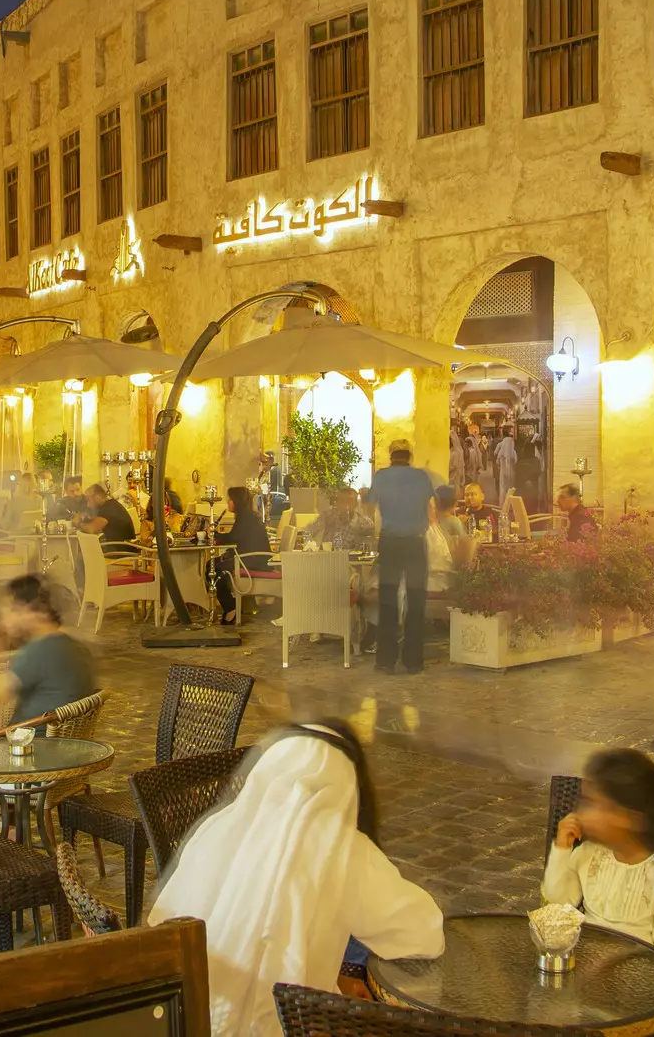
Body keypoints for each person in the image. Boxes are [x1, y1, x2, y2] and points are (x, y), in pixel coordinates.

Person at [148, 721, 443, 1037]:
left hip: (186, 1022)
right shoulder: (344, 849)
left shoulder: (215, 830)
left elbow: (162, 928)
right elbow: (424, 937)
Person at [543, 748, 654, 959]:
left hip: (637, 980)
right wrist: (561, 848)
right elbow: (559, 900)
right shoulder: (589, 854)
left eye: (594, 804)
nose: (582, 812)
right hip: (587, 969)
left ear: (631, 818)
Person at [364, 441, 435, 675]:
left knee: (388, 600)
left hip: (391, 542)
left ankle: (385, 660)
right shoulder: (422, 477)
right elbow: (430, 508)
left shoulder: (382, 477)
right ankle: (413, 661)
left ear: (391, 455)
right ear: (410, 456)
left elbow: (368, 506)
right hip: (415, 542)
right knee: (415, 601)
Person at [0, 574, 95, 723]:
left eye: (12, 609)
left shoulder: (36, 653)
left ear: (32, 610)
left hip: (30, 740)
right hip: (67, 738)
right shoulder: (77, 647)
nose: (5, 618)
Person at [208, 485, 273, 625]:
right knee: (213, 564)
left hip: (252, 560)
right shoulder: (246, 516)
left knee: (214, 567)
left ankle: (230, 608)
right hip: (250, 557)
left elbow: (233, 538)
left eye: (230, 499)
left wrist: (214, 534)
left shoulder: (246, 518)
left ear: (237, 501)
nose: (228, 503)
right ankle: (231, 605)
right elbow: (239, 539)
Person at [305, 486, 374, 551]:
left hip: (350, 561)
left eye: (350, 502)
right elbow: (308, 531)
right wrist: (308, 545)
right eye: (342, 501)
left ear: (356, 504)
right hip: (326, 559)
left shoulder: (364, 523)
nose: (346, 506)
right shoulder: (328, 515)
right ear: (337, 503)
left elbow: (367, 549)